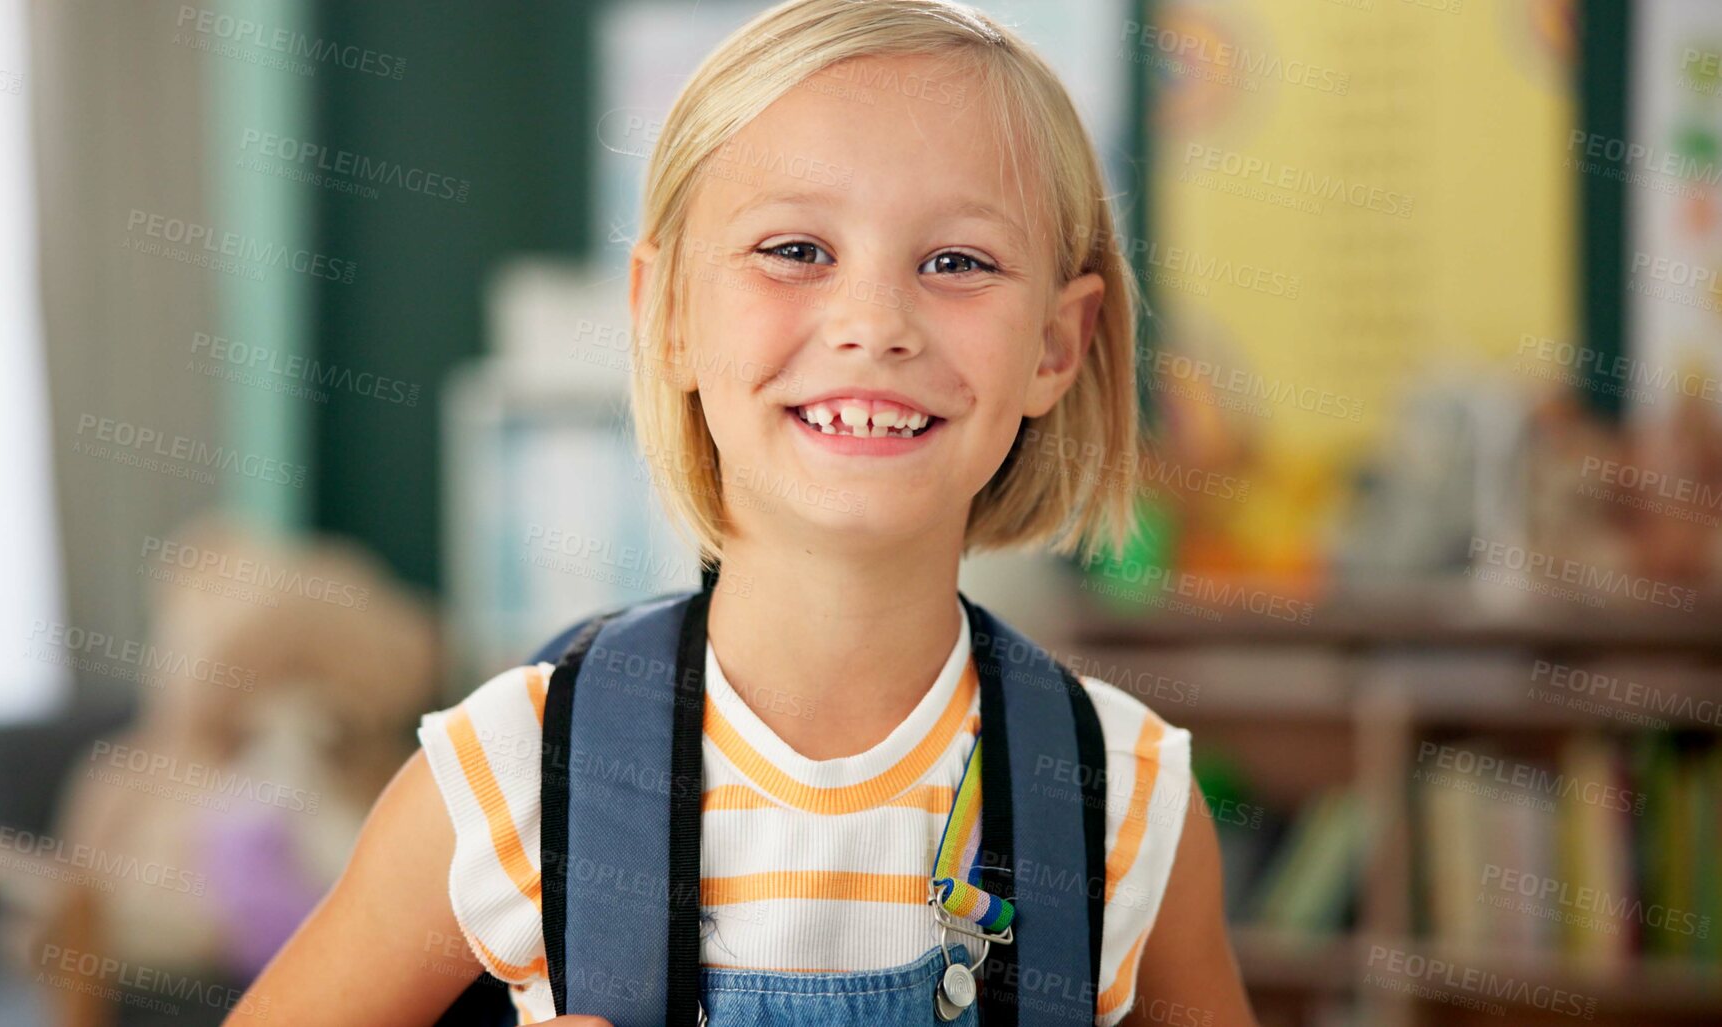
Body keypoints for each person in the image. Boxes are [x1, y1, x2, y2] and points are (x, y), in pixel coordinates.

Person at [229, 1, 1255, 1023]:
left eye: (958, 263)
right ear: (666, 312)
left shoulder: (1119, 797)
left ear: (1055, 345)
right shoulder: (515, 778)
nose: (873, 324)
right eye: (796, 250)